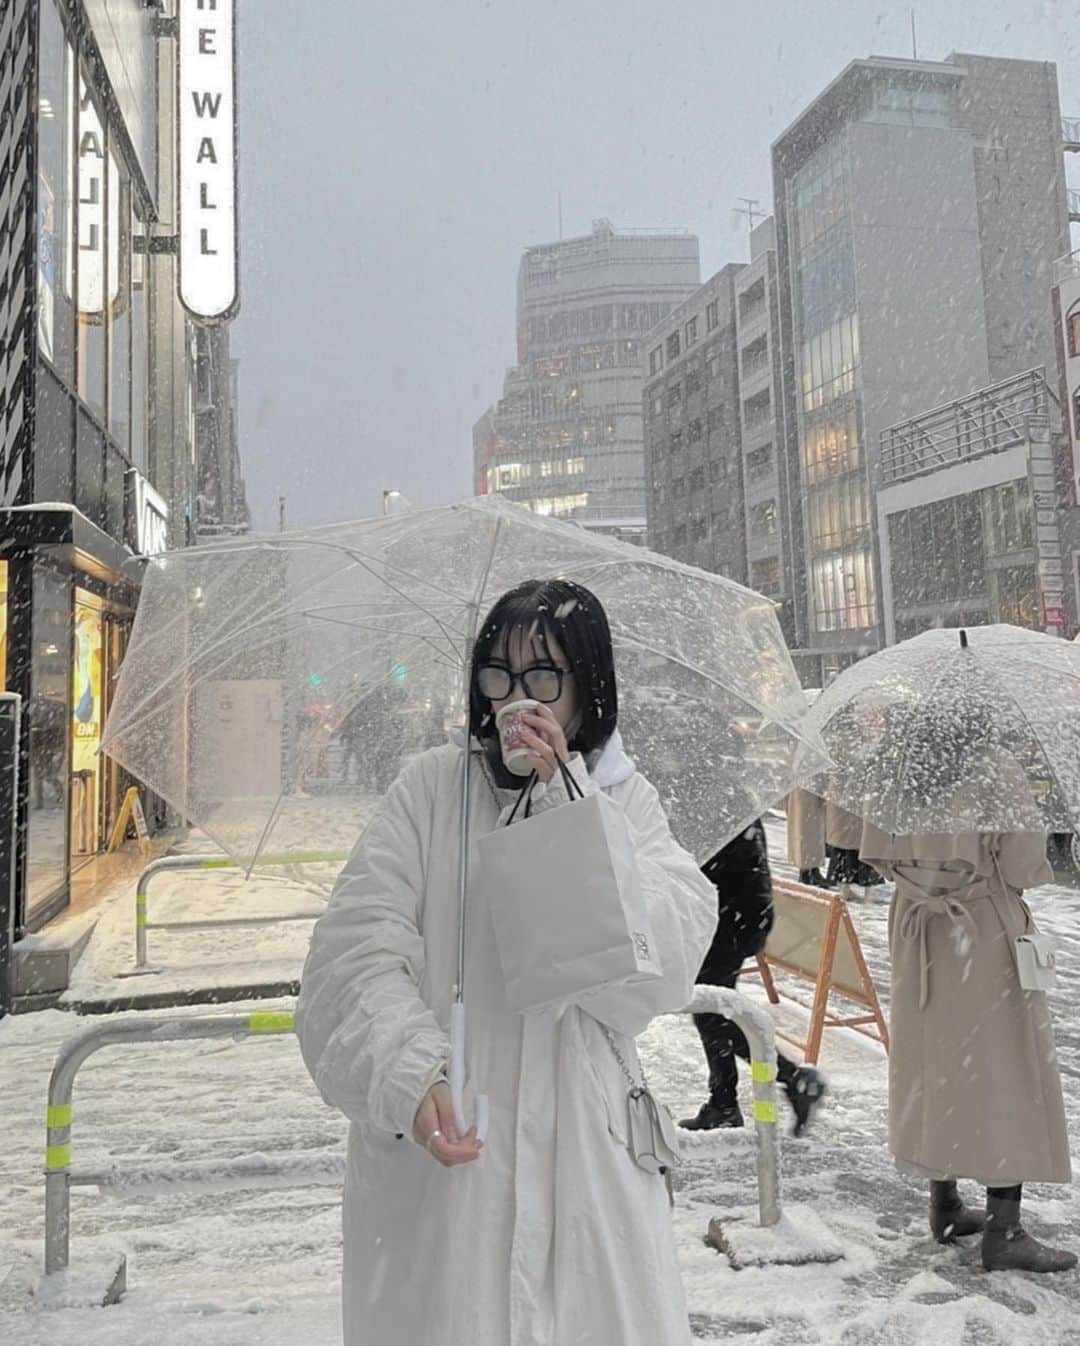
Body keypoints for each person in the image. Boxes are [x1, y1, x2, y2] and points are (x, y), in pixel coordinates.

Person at [296, 578, 717, 1346]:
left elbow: (648, 978)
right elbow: (350, 958)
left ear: (587, 691)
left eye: (543, 677)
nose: (517, 699)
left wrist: (567, 807)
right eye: (499, 674)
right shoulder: (430, 793)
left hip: (586, 1167)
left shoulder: (625, 804)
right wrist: (409, 1070)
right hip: (448, 1163)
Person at [860, 734, 1075, 1274]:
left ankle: (946, 1204)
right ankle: (1005, 1230)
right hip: (979, 929)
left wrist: (926, 874)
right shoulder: (994, 765)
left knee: (936, 1065)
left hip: (918, 932)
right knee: (1004, 1071)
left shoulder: (896, 764)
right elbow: (1025, 867)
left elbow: (872, 852)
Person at [680, 820, 827, 1135]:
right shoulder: (724, 799)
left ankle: (789, 1081)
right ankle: (726, 1101)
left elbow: (712, 866)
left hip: (730, 919)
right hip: (738, 914)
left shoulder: (715, 805)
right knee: (712, 1012)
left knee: (712, 1013)